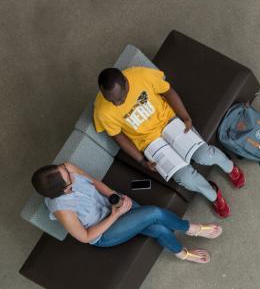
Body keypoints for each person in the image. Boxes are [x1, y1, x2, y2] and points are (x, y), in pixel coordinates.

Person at [93, 67, 246, 218]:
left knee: (205, 155)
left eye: (120, 98)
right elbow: (118, 137)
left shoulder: (140, 75)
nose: (118, 103)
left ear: (126, 83)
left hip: (169, 122)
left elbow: (167, 90)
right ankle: (213, 195)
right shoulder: (101, 111)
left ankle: (231, 168)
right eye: (111, 100)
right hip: (149, 143)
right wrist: (141, 161)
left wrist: (185, 117)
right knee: (185, 178)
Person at [32, 162, 220, 263]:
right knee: (154, 212)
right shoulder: (62, 210)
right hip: (104, 232)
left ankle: (181, 253)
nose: (72, 174)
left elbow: (94, 182)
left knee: (160, 229)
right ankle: (190, 228)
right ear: (65, 190)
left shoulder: (68, 168)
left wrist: (115, 196)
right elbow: (86, 236)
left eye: (64, 170)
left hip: (113, 205)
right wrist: (116, 215)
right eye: (69, 178)